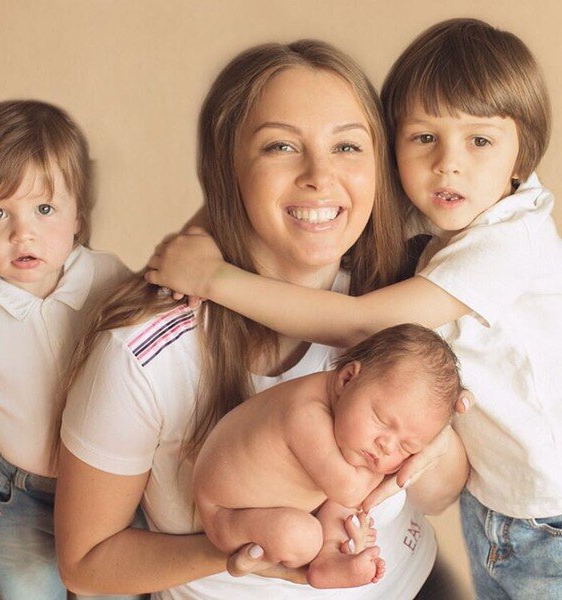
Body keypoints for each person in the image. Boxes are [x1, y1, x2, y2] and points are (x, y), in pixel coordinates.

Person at [146, 19, 562, 598]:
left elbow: (365, 323)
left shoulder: (512, 242)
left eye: (480, 141)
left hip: (546, 518)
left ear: (523, 154)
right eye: (423, 138)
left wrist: (213, 278)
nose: (448, 164)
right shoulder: (456, 207)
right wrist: (199, 232)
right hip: (501, 502)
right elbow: (282, 190)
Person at [56, 40, 469, 599]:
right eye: (281, 146)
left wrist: (430, 442)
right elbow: (85, 564)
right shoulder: (144, 352)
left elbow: (440, 496)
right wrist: (235, 556)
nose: (320, 175)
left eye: (347, 146)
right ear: (228, 169)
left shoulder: (400, 305)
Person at [0, 100, 144, 600]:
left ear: (78, 217)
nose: (23, 232)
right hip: (15, 491)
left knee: (119, 588)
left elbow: (157, 345)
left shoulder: (107, 277)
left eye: (44, 209)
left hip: (109, 489)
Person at [194, 323, 465, 589]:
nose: (387, 446)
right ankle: (321, 555)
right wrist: (390, 473)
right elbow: (351, 491)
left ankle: (329, 559)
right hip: (228, 514)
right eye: (382, 420)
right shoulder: (304, 413)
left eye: (407, 447)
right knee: (302, 534)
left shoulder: (346, 415)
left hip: (278, 506)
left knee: (345, 504)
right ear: (347, 378)